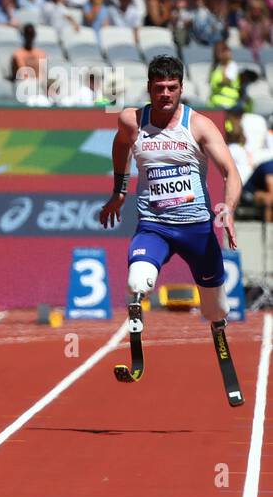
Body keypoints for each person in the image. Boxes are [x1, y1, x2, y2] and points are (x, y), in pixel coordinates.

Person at [99, 55, 245, 406]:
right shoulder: (132, 121)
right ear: (149, 88)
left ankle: (217, 328)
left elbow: (230, 171)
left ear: (181, 88)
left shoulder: (200, 126)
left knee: (215, 309)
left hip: (196, 230)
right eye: (160, 88)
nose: (166, 94)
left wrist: (228, 207)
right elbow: (121, 147)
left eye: (172, 88)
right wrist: (119, 191)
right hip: (155, 226)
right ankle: (136, 324)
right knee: (137, 281)